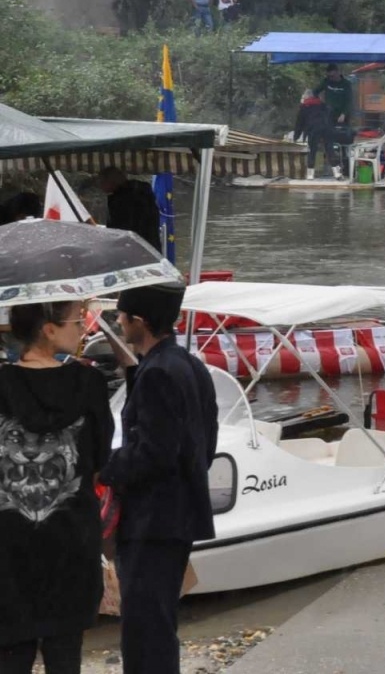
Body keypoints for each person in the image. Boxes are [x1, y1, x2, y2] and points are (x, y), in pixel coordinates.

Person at [100, 283, 218, 674]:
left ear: (140, 321)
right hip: (179, 513)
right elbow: (204, 440)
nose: (119, 322)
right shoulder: (188, 365)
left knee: (145, 628)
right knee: (157, 622)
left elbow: (154, 453)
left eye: (122, 316)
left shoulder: (159, 374)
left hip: (154, 519)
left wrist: (104, 468)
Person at [0, 300, 113, 674]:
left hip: (8, 544)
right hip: (71, 539)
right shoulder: (90, 384)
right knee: (65, 653)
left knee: (10, 653)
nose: (82, 327)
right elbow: (100, 461)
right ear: (48, 330)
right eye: (76, 321)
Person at [98, 167, 162, 252]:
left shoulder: (124, 200)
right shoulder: (140, 193)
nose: (100, 185)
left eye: (102, 182)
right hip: (149, 248)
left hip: (134, 249)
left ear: (111, 181)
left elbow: (124, 228)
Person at [313, 64, 353, 180]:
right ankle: (331, 166)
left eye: (333, 76)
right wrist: (319, 103)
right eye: (329, 76)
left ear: (338, 73)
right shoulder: (326, 81)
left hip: (342, 116)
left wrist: (344, 114)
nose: (332, 78)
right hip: (328, 115)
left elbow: (349, 101)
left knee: (344, 140)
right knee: (328, 140)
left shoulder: (346, 84)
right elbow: (315, 91)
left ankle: (345, 166)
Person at [291, 89, 333, 179]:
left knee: (312, 151)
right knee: (329, 150)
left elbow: (299, 124)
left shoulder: (304, 107)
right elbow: (330, 117)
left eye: (303, 96)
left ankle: (310, 174)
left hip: (313, 130)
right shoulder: (323, 105)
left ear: (307, 96)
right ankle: (337, 173)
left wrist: (296, 137)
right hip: (326, 129)